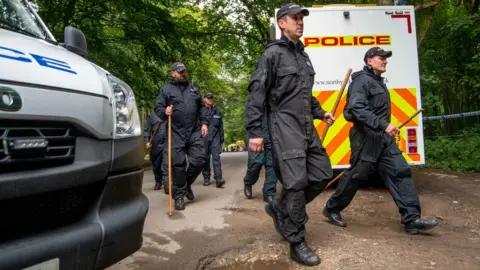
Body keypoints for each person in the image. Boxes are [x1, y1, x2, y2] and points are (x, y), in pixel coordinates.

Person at [245, 3, 335, 266]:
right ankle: (296, 240)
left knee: (322, 175)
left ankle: (280, 208)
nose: (300, 22)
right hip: (284, 127)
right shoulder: (272, 55)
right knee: (295, 185)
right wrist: (254, 131)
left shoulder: (303, 55)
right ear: (281, 23)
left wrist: (320, 112)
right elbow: (256, 94)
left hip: (307, 126)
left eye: (301, 18)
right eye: (295, 18)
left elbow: (305, 92)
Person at [322, 47, 440, 235]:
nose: (385, 61)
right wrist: (383, 124)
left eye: (386, 58)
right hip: (366, 137)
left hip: (383, 139)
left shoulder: (378, 82)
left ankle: (411, 219)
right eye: (381, 58)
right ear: (369, 61)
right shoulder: (361, 81)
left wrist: (383, 128)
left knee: (400, 172)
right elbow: (356, 109)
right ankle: (332, 208)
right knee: (357, 175)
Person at [155, 62, 208, 210]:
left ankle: (185, 185)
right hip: (176, 132)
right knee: (178, 165)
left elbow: (202, 108)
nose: (183, 73)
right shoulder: (165, 90)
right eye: (179, 72)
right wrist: (165, 111)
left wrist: (204, 123)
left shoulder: (194, 87)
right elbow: (158, 108)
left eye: (184, 71)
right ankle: (178, 196)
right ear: (173, 73)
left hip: (194, 130)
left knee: (200, 159)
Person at [243, 113, 277, 202]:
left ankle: (269, 192)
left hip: (274, 130)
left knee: (273, 163)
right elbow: (252, 110)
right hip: (257, 131)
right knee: (256, 162)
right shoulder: (256, 98)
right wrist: (255, 133)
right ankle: (248, 182)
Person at [201, 92, 226, 187]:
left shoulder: (217, 111)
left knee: (216, 158)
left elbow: (221, 126)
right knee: (205, 158)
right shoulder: (201, 110)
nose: (210, 99)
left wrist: (221, 139)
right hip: (204, 138)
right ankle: (206, 178)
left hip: (216, 137)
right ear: (204, 99)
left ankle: (218, 178)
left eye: (211, 97)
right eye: (208, 97)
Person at [143, 112, 166, 191]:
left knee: (166, 165)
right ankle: (158, 181)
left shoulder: (170, 113)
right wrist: (147, 141)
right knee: (156, 165)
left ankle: (167, 184)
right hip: (156, 143)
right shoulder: (152, 116)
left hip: (167, 143)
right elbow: (146, 130)